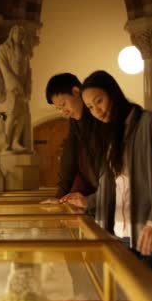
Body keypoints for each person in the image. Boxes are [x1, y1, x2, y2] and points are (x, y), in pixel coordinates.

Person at [79, 70, 152, 281]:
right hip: (121, 234)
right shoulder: (110, 135)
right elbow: (115, 187)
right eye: (90, 107)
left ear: (113, 94)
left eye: (99, 101)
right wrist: (85, 201)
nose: (96, 111)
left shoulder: (149, 122)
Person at [42, 73, 106, 208]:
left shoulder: (100, 117)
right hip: (96, 196)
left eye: (63, 104)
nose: (64, 111)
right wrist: (59, 197)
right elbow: (69, 159)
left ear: (76, 91)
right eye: (59, 108)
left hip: (110, 194)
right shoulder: (75, 122)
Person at [0, 25, 31, 152]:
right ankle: (5, 141)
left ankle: (15, 141)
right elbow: (4, 68)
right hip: (11, 87)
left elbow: (28, 71)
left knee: (22, 115)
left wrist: (27, 87)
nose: (18, 35)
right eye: (16, 32)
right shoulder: (3, 49)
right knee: (11, 113)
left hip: (22, 87)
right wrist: (15, 84)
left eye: (21, 33)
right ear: (11, 34)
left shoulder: (24, 51)